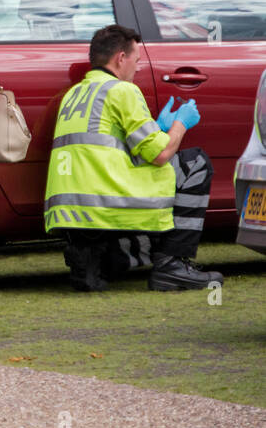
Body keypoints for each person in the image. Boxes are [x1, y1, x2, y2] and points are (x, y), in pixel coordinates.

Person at [45, 24, 223, 291]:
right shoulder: (122, 90)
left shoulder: (74, 94)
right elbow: (161, 154)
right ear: (120, 58)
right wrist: (180, 125)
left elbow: (112, 147)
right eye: (136, 60)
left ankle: (101, 256)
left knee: (154, 176)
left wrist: (159, 128)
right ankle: (172, 265)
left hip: (71, 212)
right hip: (106, 200)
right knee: (195, 162)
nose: (138, 68)